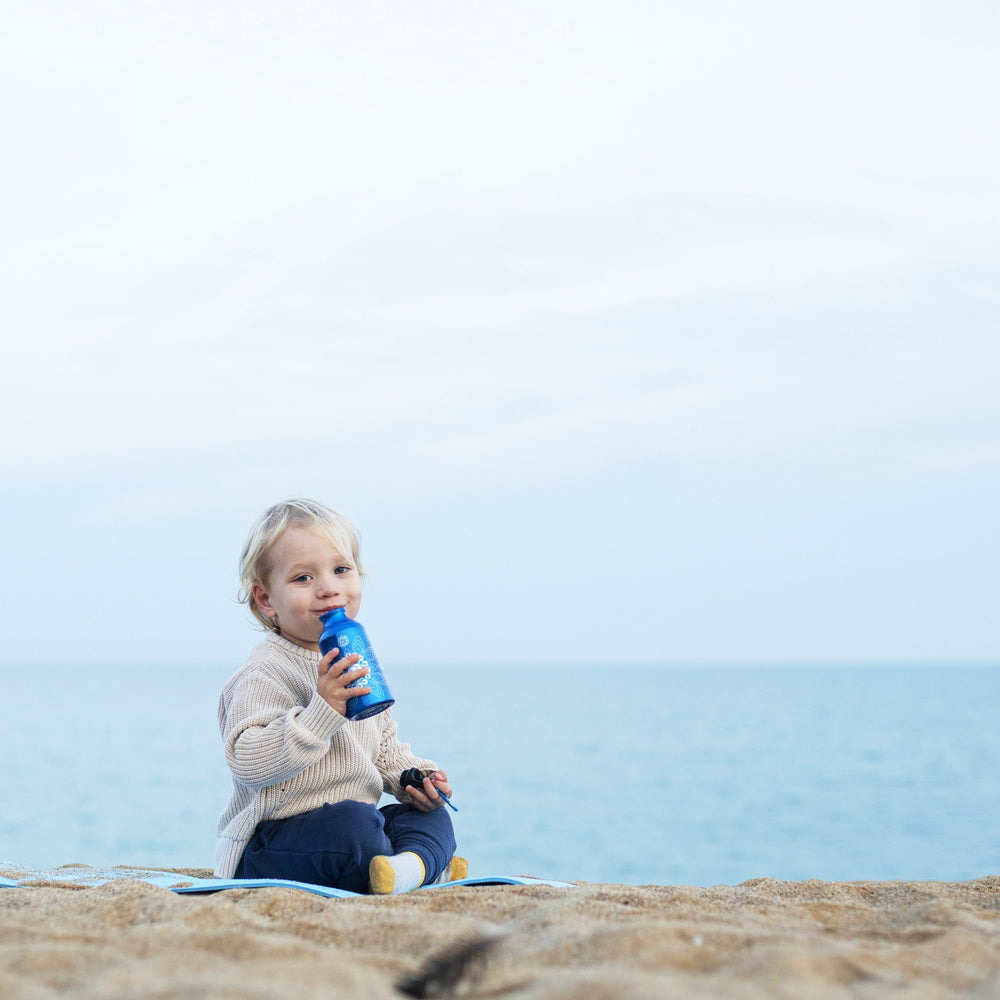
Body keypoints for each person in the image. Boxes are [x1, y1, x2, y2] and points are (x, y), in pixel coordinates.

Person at [214, 497, 459, 894]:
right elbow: (249, 763)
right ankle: (420, 868)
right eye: (302, 578)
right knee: (354, 827)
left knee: (428, 817)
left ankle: (406, 869)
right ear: (266, 599)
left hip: (353, 829)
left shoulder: (352, 656)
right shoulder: (263, 672)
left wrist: (414, 778)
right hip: (276, 842)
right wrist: (322, 710)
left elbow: (382, 750)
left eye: (341, 570)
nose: (328, 588)